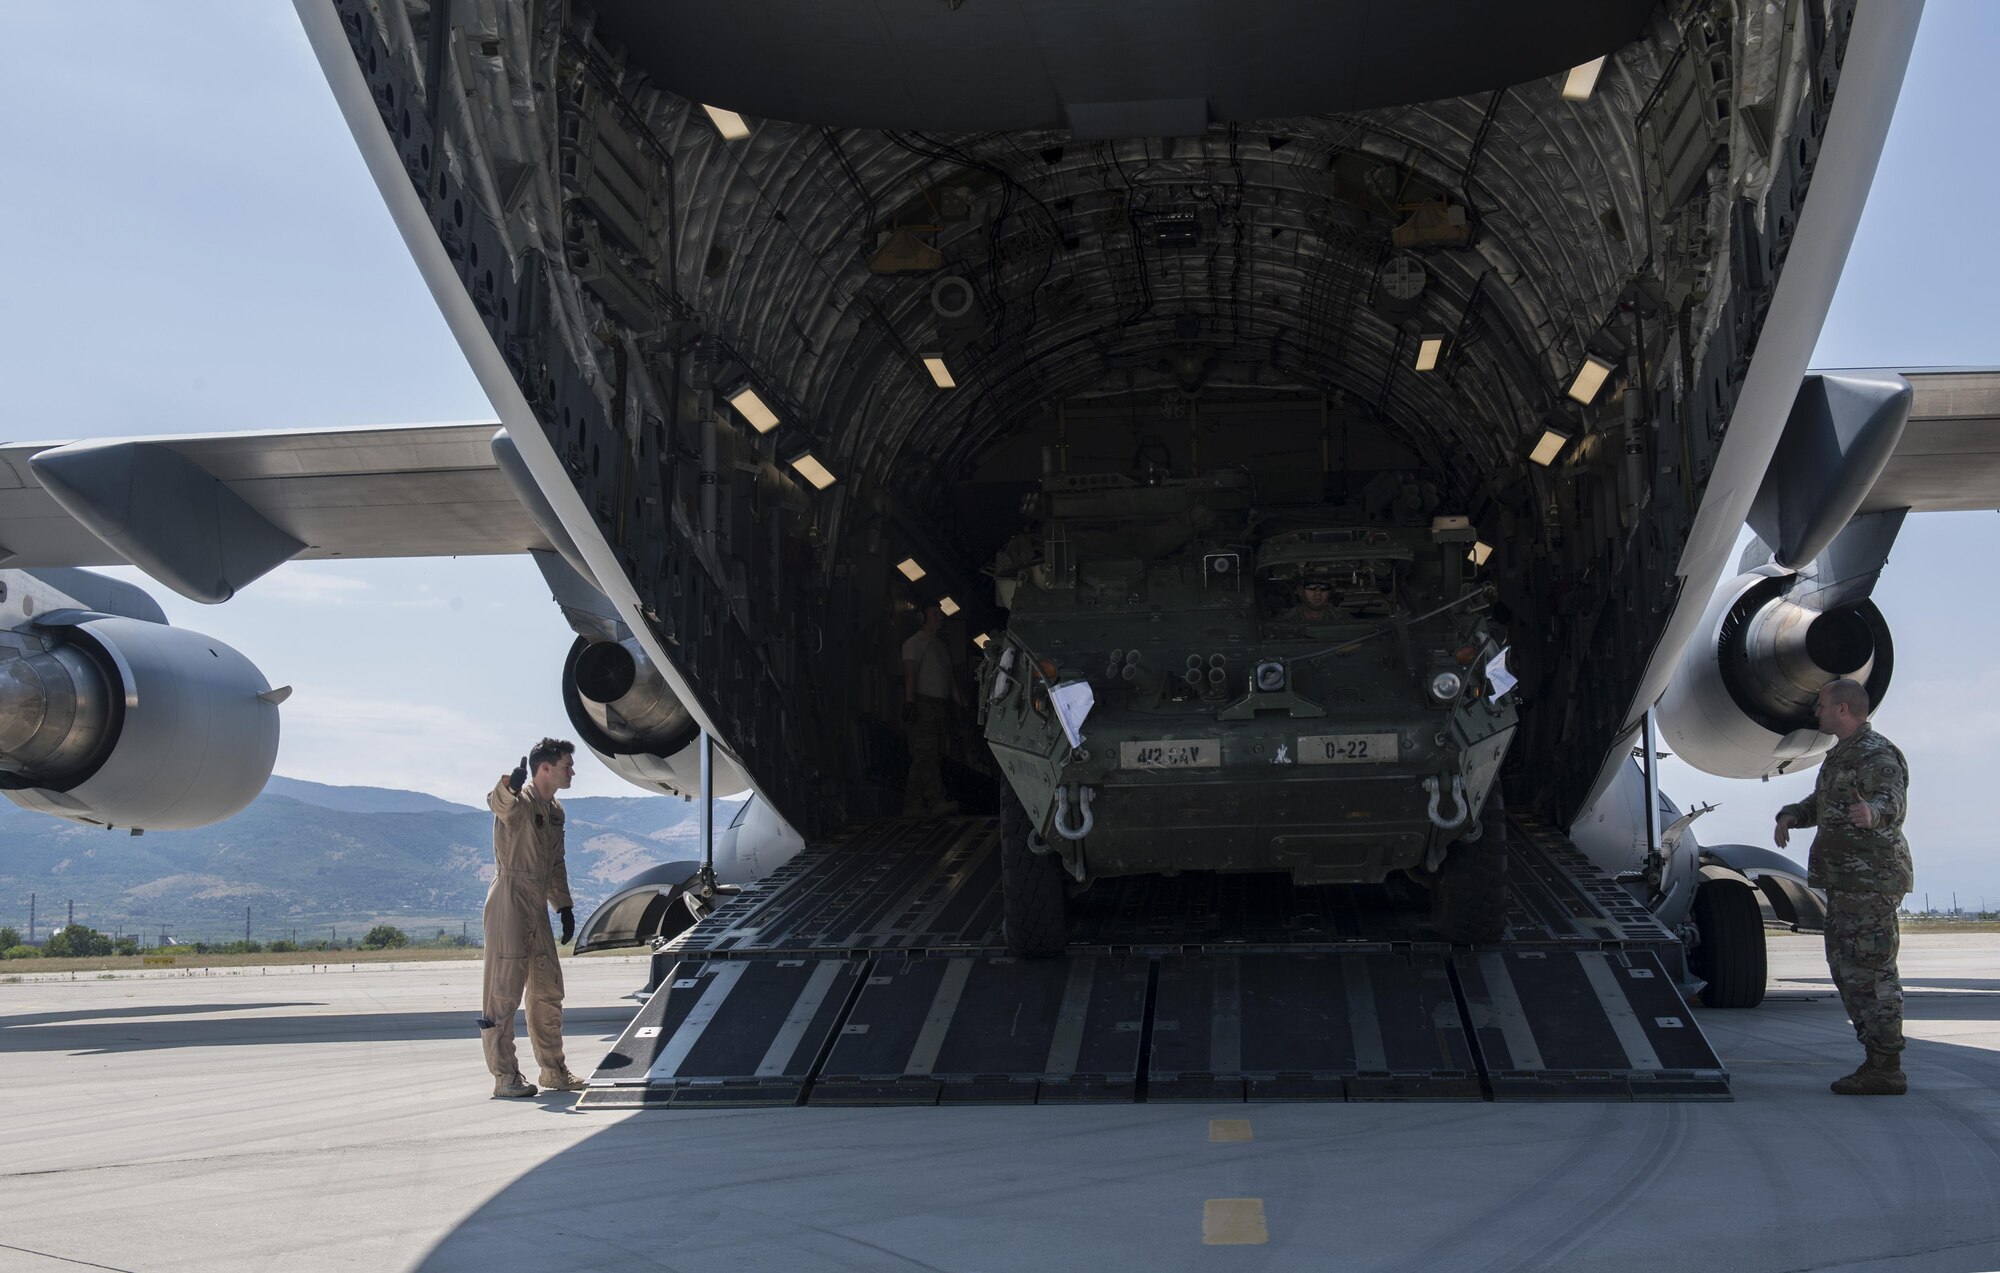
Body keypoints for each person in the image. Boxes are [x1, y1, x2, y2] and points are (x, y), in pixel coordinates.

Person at [1774, 678, 1912, 1096]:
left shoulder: (1876, 753)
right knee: (1849, 971)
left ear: (1845, 710)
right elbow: (1823, 804)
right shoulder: (1841, 757)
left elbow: (1893, 799)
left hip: (1871, 882)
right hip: (1845, 882)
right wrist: (1791, 815)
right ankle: (1876, 1061)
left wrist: (1875, 811)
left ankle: (1886, 1067)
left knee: (1872, 973)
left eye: (1822, 706)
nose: (1816, 712)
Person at [479, 737, 585, 1097]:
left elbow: (556, 864)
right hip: (509, 899)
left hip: (537, 904)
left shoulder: (555, 811)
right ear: (545, 768)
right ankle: (504, 1077)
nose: (572, 771)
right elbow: (499, 804)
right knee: (503, 991)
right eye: (566, 765)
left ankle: (553, 1070)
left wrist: (564, 905)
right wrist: (509, 783)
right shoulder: (520, 803)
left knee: (547, 988)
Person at [901, 603, 962, 817]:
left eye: (940, 613)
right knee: (926, 754)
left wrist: (959, 706)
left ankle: (913, 804)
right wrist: (910, 703)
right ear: (922, 617)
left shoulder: (940, 647)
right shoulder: (915, 643)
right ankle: (936, 800)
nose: (940, 616)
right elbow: (911, 674)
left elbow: (950, 680)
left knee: (927, 756)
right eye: (934, 613)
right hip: (924, 705)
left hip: (940, 707)